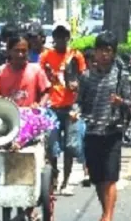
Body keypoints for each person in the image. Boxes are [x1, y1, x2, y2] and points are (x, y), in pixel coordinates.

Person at [0, 30, 51, 220]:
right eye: (17, 50)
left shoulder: (35, 70)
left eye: (24, 51)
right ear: (9, 51)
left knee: (27, 156)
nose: (21, 54)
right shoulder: (1, 71)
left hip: (29, 123)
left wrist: (39, 105)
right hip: (7, 121)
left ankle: (29, 205)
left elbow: (47, 91)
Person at [72, 31, 131, 221]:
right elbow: (79, 101)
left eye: (109, 51)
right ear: (95, 52)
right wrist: (75, 111)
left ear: (113, 52)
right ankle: (105, 211)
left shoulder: (121, 75)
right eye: (101, 50)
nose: (105, 54)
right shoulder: (87, 77)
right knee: (98, 179)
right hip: (91, 132)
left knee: (110, 177)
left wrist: (120, 101)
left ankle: (108, 216)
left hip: (112, 131)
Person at [39, 22, 86, 196]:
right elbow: (40, 79)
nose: (60, 39)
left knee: (71, 146)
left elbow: (84, 79)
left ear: (68, 37)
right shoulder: (46, 56)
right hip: (52, 106)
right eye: (57, 36)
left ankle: (66, 181)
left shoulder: (76, 56)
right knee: (52, 146)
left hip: (71, 106)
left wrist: (77, 86)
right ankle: (54, 176)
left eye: (63, 35)